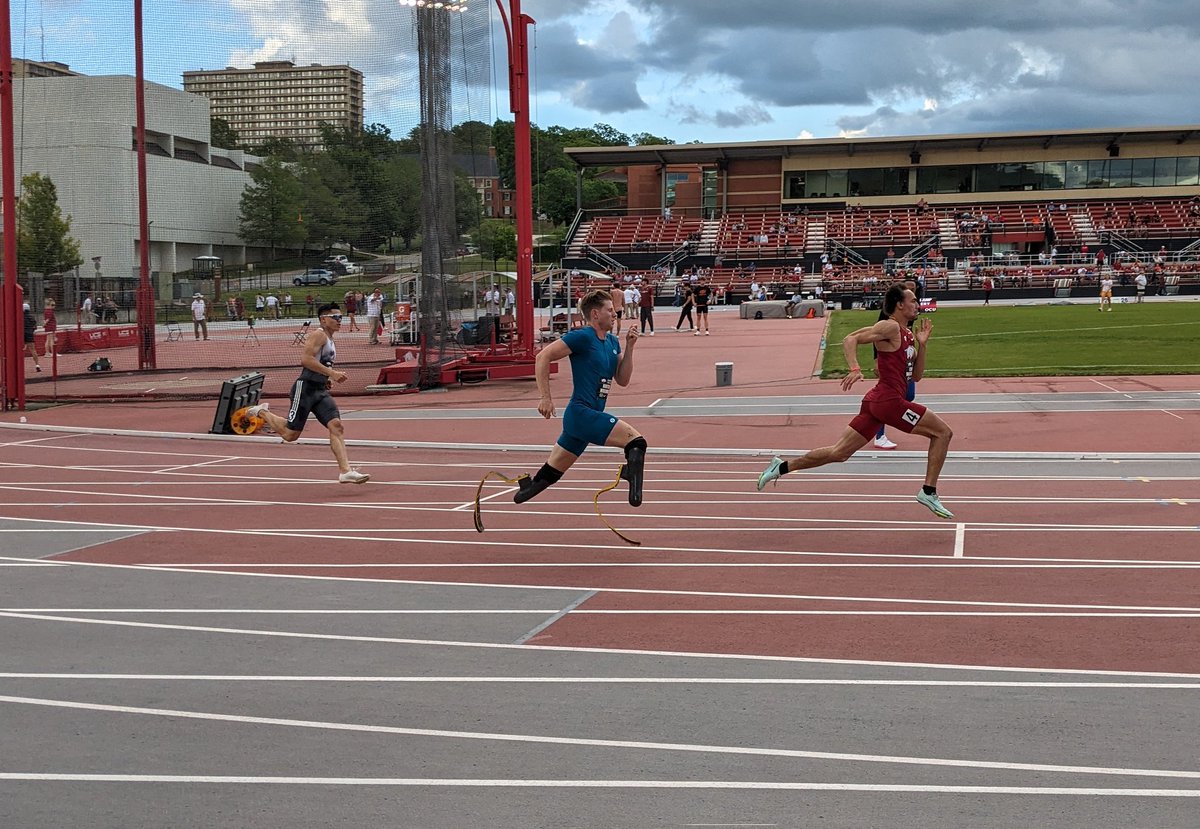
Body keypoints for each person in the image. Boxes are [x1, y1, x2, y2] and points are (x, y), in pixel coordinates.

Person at [756, 284, 955, 519]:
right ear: (899, 305)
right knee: (943, 433)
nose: (917, 304)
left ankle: (780, 467)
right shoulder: (889, 326)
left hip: (877, 402)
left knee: (838, 453)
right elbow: (850, 339)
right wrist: (855, 367)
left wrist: (922, 345)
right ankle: (928, 491)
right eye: (912, 300)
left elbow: (917, 376)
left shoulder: (908, 334)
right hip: (888, 401)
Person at [509, 289, 646, 508]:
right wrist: (545, 397)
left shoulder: (612, 342)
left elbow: (622, 379)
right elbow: (543, 356)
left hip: (584, 420)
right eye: (610, 310)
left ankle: (525, 488)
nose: (615, 314)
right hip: (581, 414)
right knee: (636, 443)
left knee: (548, 476)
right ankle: (631, 480)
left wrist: (629, 348)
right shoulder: (583, 337)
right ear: (594, 314)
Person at [244, 303, 370, 485]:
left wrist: (326, 378)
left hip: (319, 390)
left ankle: (345, 472)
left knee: (336, 426)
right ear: (323, 319)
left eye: (341, 317)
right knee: (290, 435)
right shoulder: (318, 334)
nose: (339, 321)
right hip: (305, 389)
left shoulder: (330, 339)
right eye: (335, 318)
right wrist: (332, 374)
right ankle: (262, 412)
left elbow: (322, 363)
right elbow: (306, 359)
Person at [23, 302, 41, 373]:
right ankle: (37, 365)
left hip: (21, 334)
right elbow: (34, 326)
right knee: (33, 350)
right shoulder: (31, 317)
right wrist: (31, 330)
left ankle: (19, 365)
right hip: (29, 334)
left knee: (19, 350)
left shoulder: (19, 316)